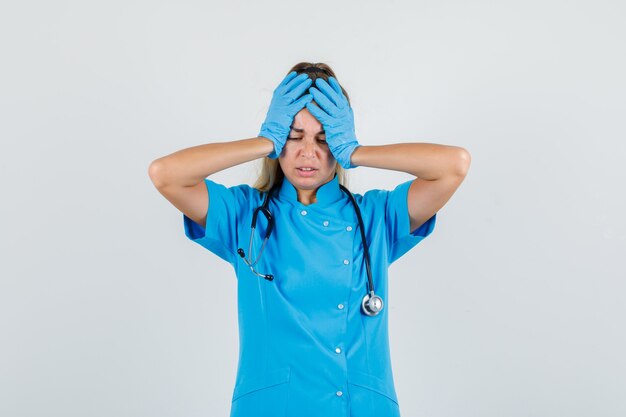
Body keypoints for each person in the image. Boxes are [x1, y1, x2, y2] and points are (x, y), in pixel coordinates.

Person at [148, 62, 471, 417]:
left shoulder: (376, 218)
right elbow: (166, 174)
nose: (308, 153)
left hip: (361, 408)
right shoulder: (244, 215)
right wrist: (264, 141)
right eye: (293, 136)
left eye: (324, 139)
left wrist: (355, 151)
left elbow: (453, 165)